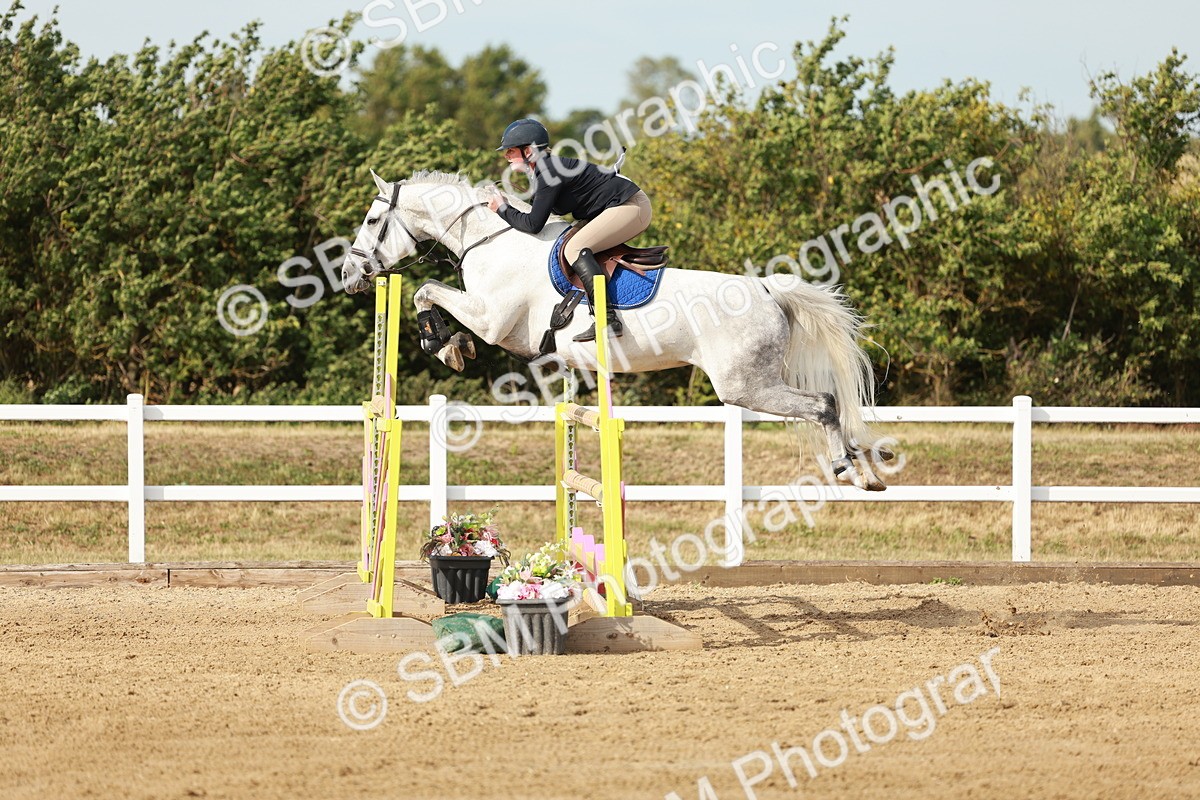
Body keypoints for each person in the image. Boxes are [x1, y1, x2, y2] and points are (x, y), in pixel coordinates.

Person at [487, 118, 652, 341]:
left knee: (574, 248)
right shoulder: (543, 170)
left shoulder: (547, 170)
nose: (506, 156)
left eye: (510, 151)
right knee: (568, 241)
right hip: (618, 207)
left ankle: (606, 319)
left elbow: (534, 225)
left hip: (631, 206)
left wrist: (502, 209)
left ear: (528, 151)